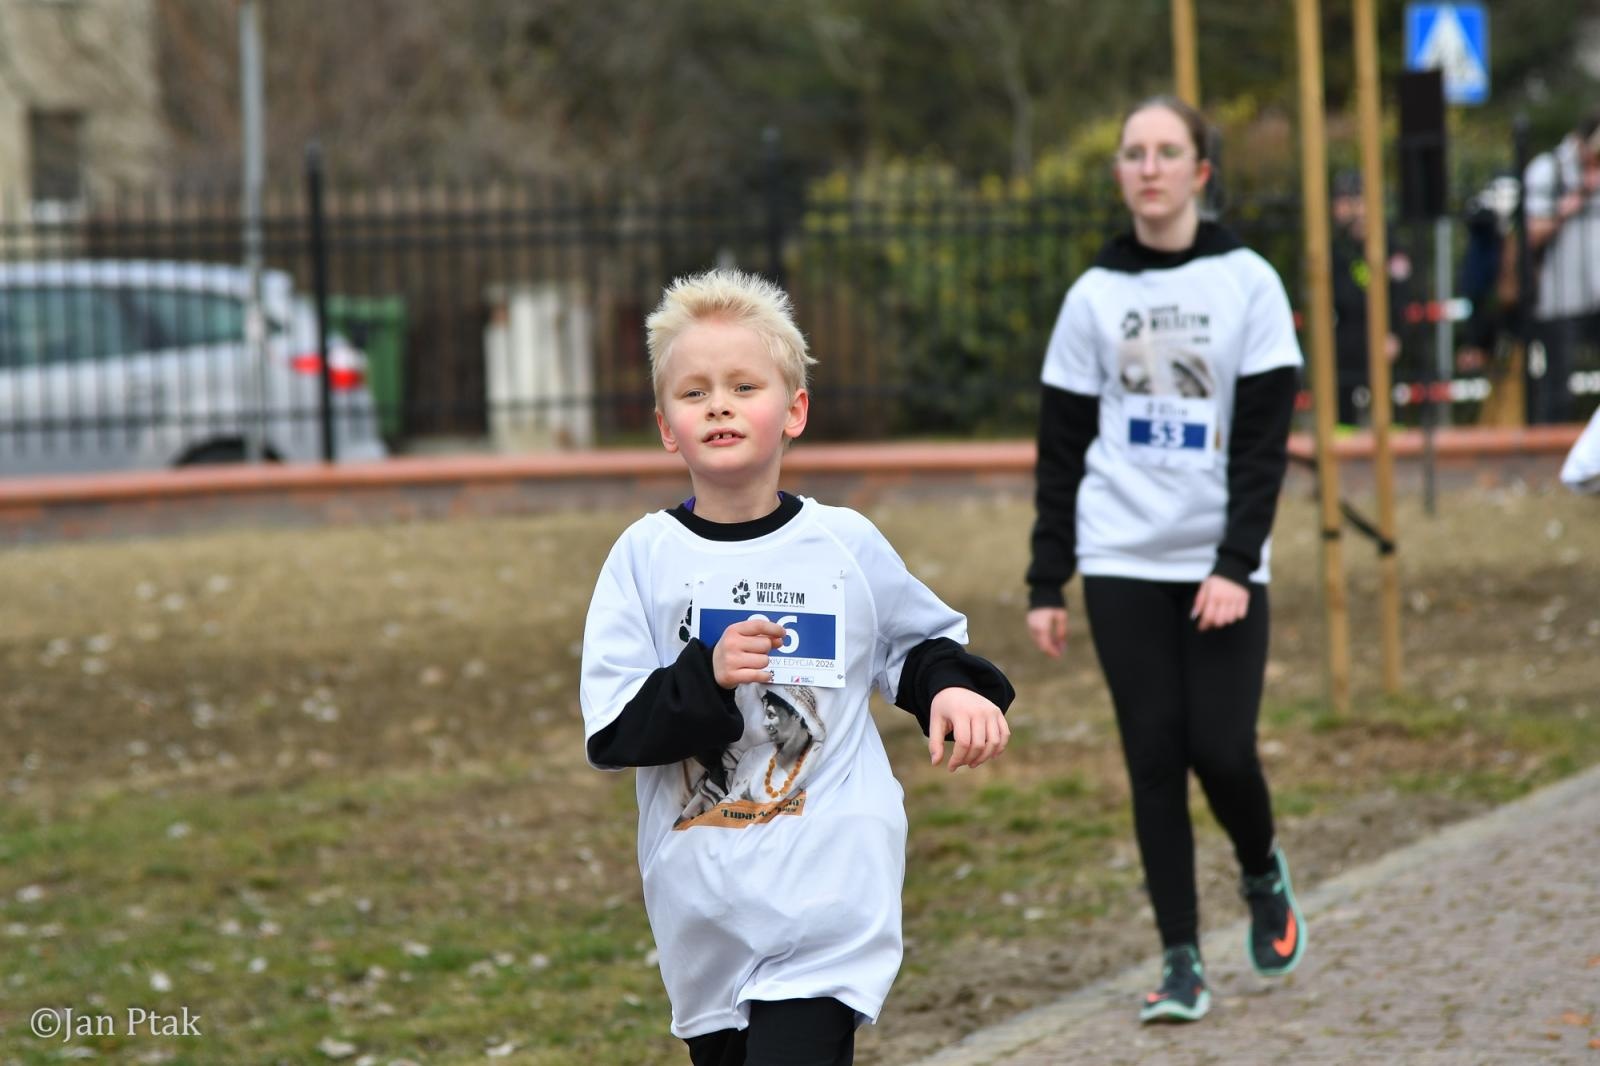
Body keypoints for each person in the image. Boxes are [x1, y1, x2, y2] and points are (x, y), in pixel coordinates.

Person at [579, 267, 1015, 1066]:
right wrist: (705, 678)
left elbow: (912, 643)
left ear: (794, 411)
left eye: (744, 385)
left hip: (827, 885)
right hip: (703, 906)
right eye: (695, 392)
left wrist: (952, 688)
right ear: (667, 428)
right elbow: (612, 730)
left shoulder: (844, 543)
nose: (719, 404)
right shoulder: (642, 559)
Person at [1024, 96, 1306, 1025]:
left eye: (1168, 152)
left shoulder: (1248, 283)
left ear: (1200, 172)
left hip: (1220, 559)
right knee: (1153, 756)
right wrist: (1047, 579)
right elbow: (1061, 447)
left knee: (1220, 748)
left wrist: (1234, 560)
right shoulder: (1093, 296)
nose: (1150, 168)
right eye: (1134, 153)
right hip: (1120, 555)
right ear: (1120, 174)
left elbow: (1264, 443)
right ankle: (1181, 959)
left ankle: (1261, 869)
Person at [1522, 108, 1600, 424]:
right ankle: (1553, 456)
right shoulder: (1548, 169)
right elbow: (1529, 232)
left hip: (1597, 291)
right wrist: (1571, 203)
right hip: (1559, 297)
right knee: (1558, 386)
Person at [1329, 170, 1407, 427]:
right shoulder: (1337, 247)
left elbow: (1400, 293)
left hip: (1380, 330)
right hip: (1347, 332)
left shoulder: (1388, 244)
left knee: (1386, 391)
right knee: (1343, 389)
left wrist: (1394, 332)